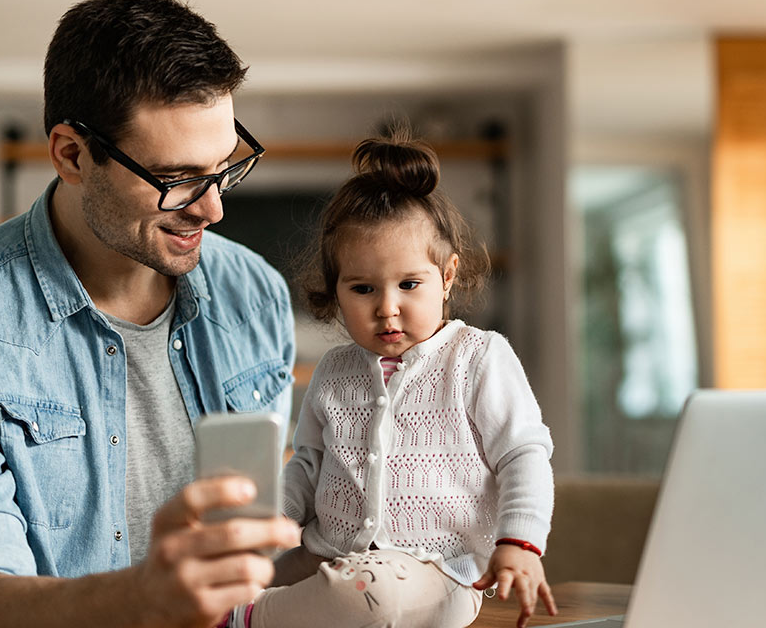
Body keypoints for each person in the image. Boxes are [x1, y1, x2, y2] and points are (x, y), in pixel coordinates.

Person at [0, 0, 300, 627]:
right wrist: (141, 600)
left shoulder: (255, 295)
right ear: (72, 154)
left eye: (223, 169)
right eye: (177, 179)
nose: (213, 209)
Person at [223, 133, 559, 628]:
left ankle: (238, 622)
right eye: (362, 288)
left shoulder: (478, 357)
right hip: (324, 555)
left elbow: (523, 455)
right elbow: (309, 467)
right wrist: (272, 524)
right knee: (236, 576)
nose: (387, 307)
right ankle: (245, 607)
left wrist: (519, 542)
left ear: (447, 277)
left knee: (367, 594)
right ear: (336, 291)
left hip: (434, 573)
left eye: (409, 284)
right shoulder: (334, 371)